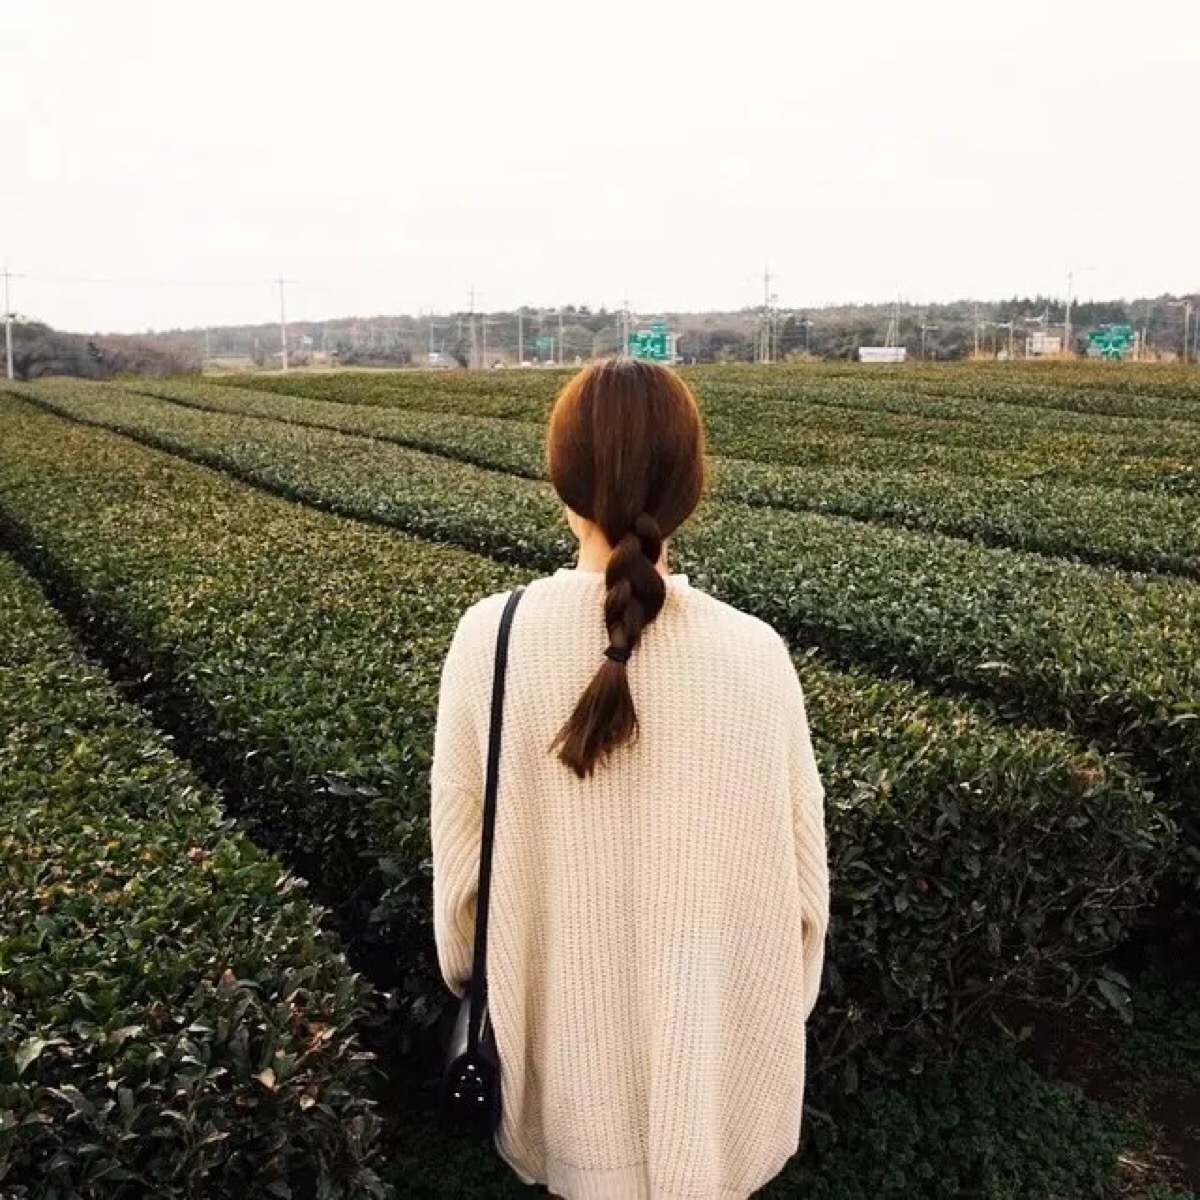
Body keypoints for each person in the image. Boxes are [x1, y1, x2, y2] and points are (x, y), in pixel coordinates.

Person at [431, 356, 829, 1200]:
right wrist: (746, 1030)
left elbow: (463, 902)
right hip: (718, 1094)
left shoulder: (489, 638)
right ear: (690, 487)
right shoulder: (756, 653)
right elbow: (802, 898)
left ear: (561, 480)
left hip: (562, 1088)